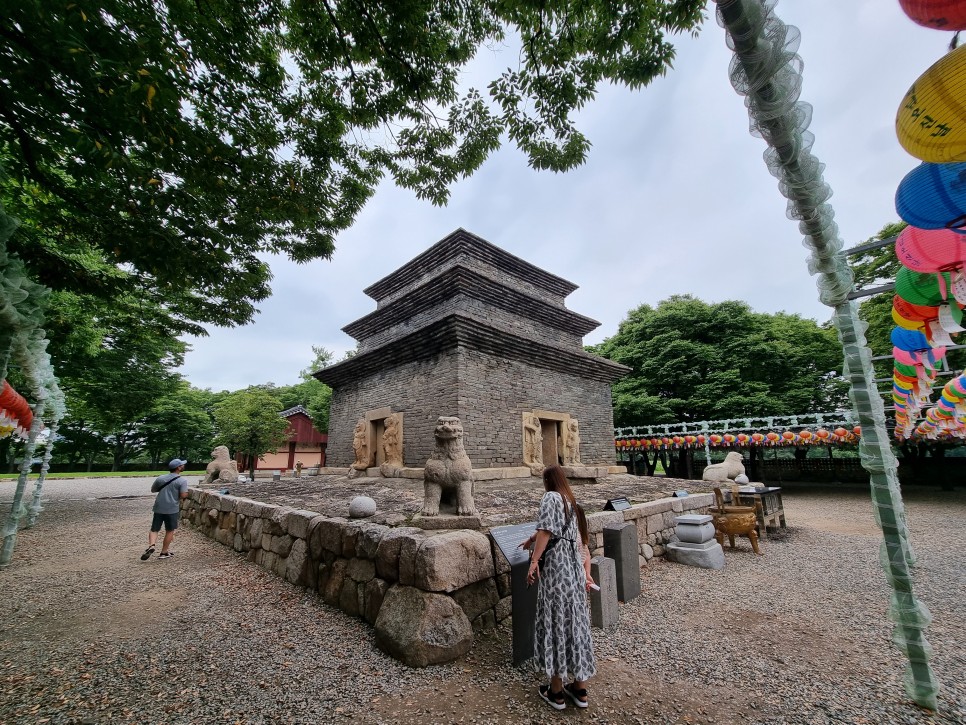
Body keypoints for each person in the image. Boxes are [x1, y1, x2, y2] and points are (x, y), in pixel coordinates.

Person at [521, 464, 596, 710]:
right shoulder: (571, 503)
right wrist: (532, 539)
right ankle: (580, 689)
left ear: (547, 480)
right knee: (575, 624)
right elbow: (562, 534)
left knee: (556, 623)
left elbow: (546, 530)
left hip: (557, 573)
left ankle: (556, 692)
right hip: (573, 573)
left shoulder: (550, 496)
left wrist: (534, 561)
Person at [141, 458, 190, 561]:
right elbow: (183, 495)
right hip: (172, 508)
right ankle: (164, 552)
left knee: (154, 528)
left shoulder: (161, 478)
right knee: (170, 530)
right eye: (182, 465)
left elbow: (153, 490)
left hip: (159, 506)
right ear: (178, 467)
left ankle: (152, 545)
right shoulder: (182, 481)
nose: (183, 466)